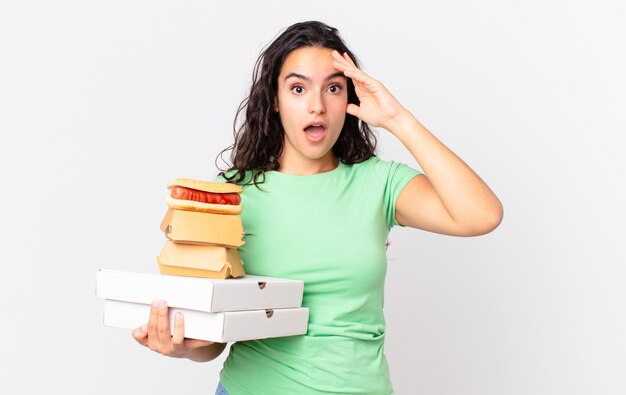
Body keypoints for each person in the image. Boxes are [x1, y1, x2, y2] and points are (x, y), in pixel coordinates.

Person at [132, 20, 503, 394]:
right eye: (298, 88)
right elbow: (213, 339)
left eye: (333, 88)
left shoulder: (379, 183)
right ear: (274, 100)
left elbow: (481, 214)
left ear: (350, 100)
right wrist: (181, 346)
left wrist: (398, 120)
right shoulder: (230, 196)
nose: (317, 106)